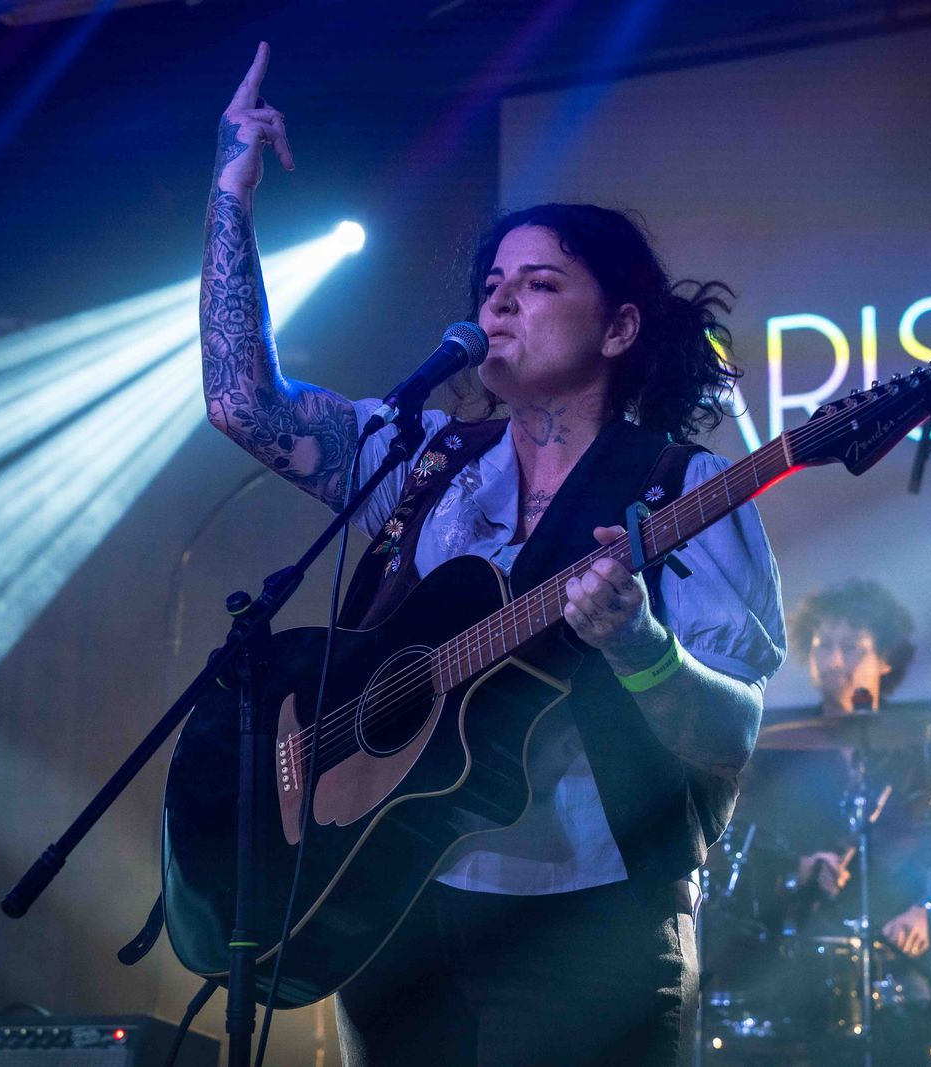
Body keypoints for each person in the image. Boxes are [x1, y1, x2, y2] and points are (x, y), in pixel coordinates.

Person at [200, 44, 786, 1067]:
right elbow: (242, 404)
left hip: (591, 921)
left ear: (620, 327)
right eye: (493, 283)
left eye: (540, 282)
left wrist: (641, 647)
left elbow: (730, 732)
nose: (501, 302)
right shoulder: (424, 462)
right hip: (396, 903)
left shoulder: (681, 490)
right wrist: (229, 195)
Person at [737, 578, 931, 957]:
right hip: (796, 946)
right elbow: (742, 847)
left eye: (851, 648)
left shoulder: (924, 750)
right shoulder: (776, 749)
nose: (833, 661)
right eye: (823, 646)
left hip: (894, 948)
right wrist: (799, 868)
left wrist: (922, 917)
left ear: (885, 659)